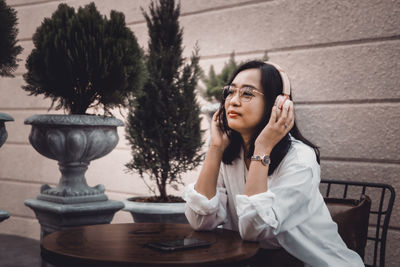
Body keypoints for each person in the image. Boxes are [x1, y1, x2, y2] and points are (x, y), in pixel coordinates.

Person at [183, 61, 364, 267]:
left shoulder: (300, 159)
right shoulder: (230, 153)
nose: (233, 101)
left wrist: (262, 148)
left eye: (247, 93)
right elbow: (199, 222)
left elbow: (254, 230)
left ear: (278, 104)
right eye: (230, 92)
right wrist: (215, 149)